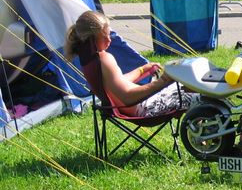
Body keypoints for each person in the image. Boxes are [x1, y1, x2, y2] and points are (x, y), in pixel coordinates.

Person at [65, 10, 197, 118]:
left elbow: (118, 82)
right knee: (199, 93)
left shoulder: (90, 60)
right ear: (91, 39)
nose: (109, 40)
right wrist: (164, 81)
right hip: (146, 108)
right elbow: (128, 97)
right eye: (104, 37)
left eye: (109, 35)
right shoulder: (104, 59)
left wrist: (142, 70)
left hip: (139, 106)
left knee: (190, 85)